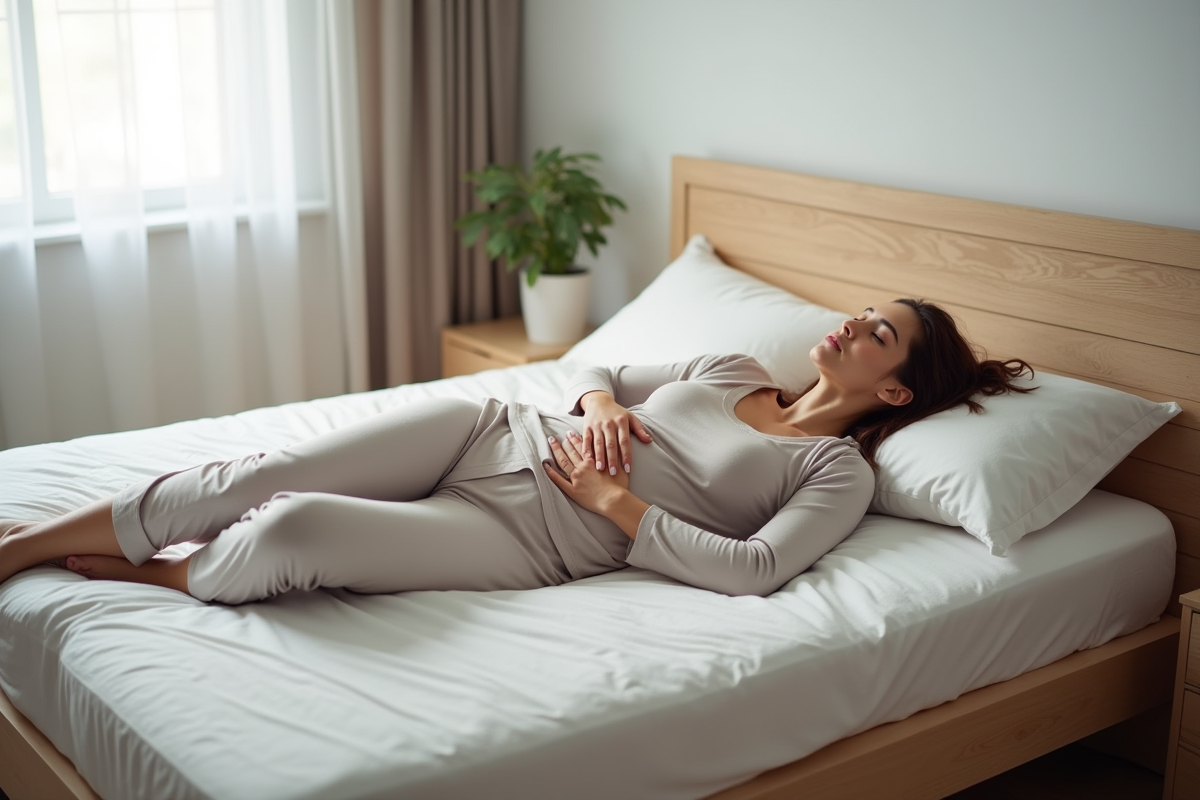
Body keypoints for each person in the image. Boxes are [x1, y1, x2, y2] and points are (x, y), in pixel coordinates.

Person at [0, 300, 1032, 602]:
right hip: (495, 429)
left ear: (893, 390)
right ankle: (20, 546)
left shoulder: (835, 470)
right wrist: (593, 402)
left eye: (878, 335)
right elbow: (611, 373)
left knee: (294, 530)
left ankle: (182, 573)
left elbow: (758, 570)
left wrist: (613, 499)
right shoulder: (729, 364)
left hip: (530, 532)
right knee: (262, 472)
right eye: (858, 312)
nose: (851, 325)